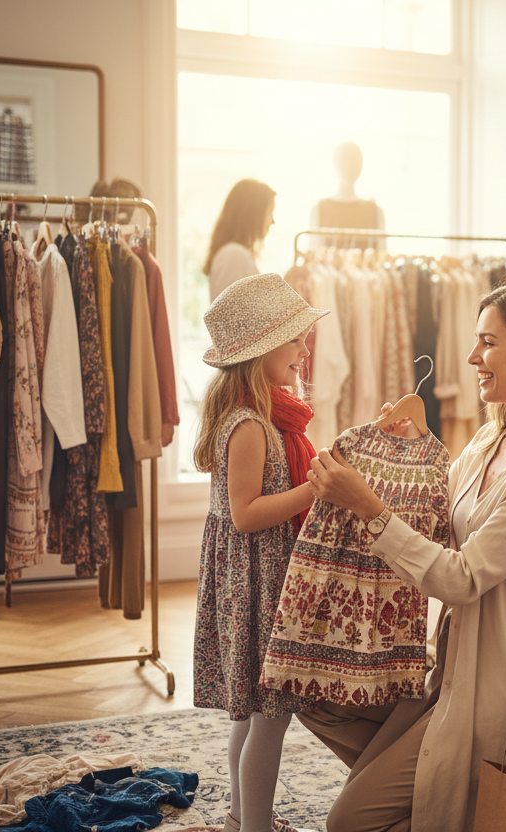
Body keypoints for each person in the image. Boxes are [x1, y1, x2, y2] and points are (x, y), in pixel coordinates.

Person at [299, 283, 506, 832]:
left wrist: (366, 505)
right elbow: (440, 518)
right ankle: (429, 794)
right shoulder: (490, 441)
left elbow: (462, 576)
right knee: (308, 691)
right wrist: (413, 450)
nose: (472, 358)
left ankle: (442, 802)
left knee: (348, 823)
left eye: (488, 343)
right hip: (443, 666)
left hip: (497, 686)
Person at [191, 273, 328, 832]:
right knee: (269, 717)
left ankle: (242, 818)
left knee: (253, 716)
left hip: (258, 579)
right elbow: (247, 515)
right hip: (257, 584)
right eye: (294, 338)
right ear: (262, 348)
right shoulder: (250, 426)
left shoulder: (263, 418)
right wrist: (316, 488)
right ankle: (254, 826)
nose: (304, 349)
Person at [205, 179, 277, 302]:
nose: (273, 221)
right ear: (253, 214)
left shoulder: (236, 254)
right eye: (270, 212)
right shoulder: (234, 255)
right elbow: (230, 316)